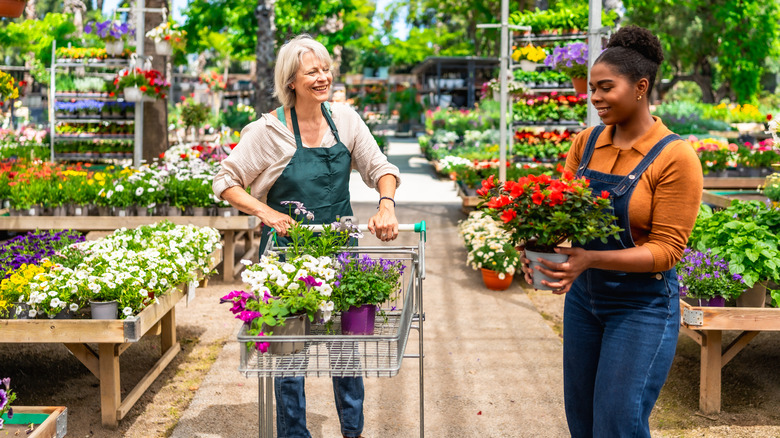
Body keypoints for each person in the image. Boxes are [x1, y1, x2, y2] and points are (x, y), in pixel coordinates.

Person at [212, 34, 401, 438]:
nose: (322, 77)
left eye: (325, 69)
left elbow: (379, 166)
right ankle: (294, 433)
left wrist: (386, 204)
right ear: (291, 81)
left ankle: (353, 431)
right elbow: (225, 181)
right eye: (311, 71)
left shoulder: (346, 120)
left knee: (346, 353)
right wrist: (266, 212)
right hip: (286, 261)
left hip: (340, 253)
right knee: (290, 356)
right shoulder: (270, 131)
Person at [522, 26, 703, 437]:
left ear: (641, 87)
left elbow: (667, 251)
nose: (595, 97)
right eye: (592, 88)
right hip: (585, 302)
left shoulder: (675, 156)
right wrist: (536, 245)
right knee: (583, 422)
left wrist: (590, 259)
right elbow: (561, 213)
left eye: (606, 87)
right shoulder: (586, 143)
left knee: (618, 424)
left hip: (642, 307)